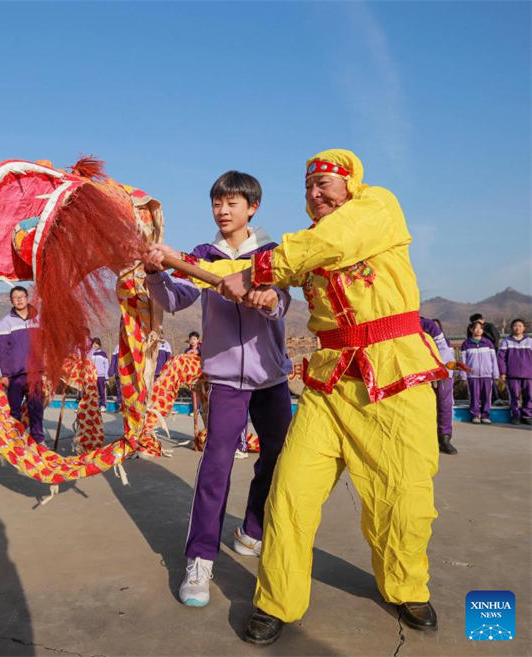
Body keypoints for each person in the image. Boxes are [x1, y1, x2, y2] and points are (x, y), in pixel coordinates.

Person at [213, 150, 448, 643]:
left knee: (404, 497)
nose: (314, 195)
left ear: (350, 184)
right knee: (290, 494)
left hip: (394, 379)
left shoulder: (377, 208)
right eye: (307, 188)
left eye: (324, 184)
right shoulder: (308, 246)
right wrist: (168, 262)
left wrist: (258, 272)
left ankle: (406, 587)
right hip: (327, 386)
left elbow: (317, 249)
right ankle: (277, 600)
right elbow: (265, 275)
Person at [143, 169, 293, 609]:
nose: (223, 210)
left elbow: (284, 301)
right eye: (217, 203)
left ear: (253, 207)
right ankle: (200, 559)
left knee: (277, 458)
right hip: (226, 381)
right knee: (216, 467)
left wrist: (268, 299)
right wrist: (156, 273)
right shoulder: (201, 257)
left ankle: (252, 529)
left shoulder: (273, 254)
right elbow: (174, 299)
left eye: (232, 203)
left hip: (273, 378)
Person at [0, 286, 45, 444]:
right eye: (15, 297)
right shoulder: (5, 322)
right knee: (14, 410)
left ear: (27, 298)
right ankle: (15, 440)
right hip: (15, 375)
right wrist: (3, 374)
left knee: (36, 408)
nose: (18, 299)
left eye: (21, 296)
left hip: (35, 372)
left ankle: (38, 440)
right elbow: (1, 350)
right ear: (11, 301)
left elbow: (48, 344)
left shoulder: (39, 319)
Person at [420, 316, 458, 453]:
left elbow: (443, 350)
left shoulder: (426, 324)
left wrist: (436, 372)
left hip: (441, 371)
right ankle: (423, 438)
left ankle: (444, 438)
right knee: (419, 405)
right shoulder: (396, 321)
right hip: (415, 371)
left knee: (444, 403)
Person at [460, 321, 499, 424]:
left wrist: (495, 374)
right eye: (475, 328)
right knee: (474, 396)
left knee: (487, 396)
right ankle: (475, 415)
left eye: (480, 328)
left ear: (483, 330)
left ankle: (485, 415)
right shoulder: (466, 344)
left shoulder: (488, 343)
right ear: (471, 330)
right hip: (472, 375)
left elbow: (494, 359)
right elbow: (463, 361)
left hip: (487, 375)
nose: (478, 330)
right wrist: (463, 375)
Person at [498, 318, 532, 424]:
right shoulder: (506, 341)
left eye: (520, 326)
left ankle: (527, 415)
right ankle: (515, 415)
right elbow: (501, 358)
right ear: (512, 328)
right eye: (515, 326)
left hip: (529, 374)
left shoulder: (530, 341)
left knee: (530, 395)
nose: (517, 328)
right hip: (512, 374)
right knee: (514, 395)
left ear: (524, 328)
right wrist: (503, 372)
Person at [88, 337, 110, 411]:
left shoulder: (103, 353)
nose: (95, 345)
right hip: (93, 376)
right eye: (94, 343)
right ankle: (94, 405)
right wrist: (92, 350)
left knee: (102, 391)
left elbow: (106, 365)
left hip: (101, 376)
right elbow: (88, 360)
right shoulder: (91, 353)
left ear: (99, 345)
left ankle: (103, 405)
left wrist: (106, 377)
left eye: (97, 344)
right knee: (94, 391)